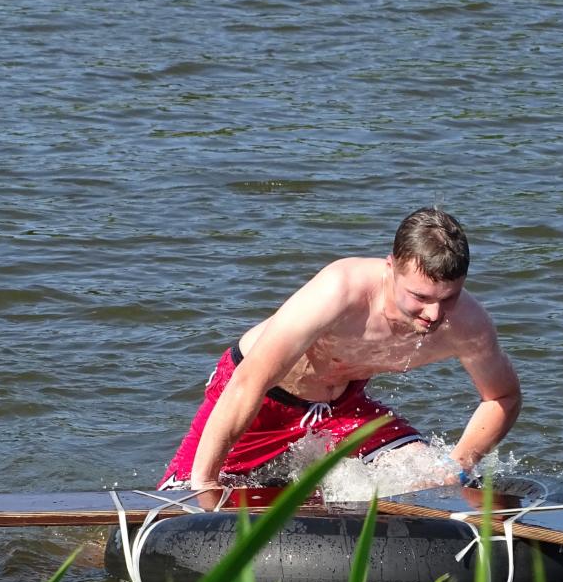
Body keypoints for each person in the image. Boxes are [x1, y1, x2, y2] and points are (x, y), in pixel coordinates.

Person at [158, 207, 521, 492]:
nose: (435, 314)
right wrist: (205, 484)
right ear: (391, 267)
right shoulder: (341, 290)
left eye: (449, 298)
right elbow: (250, 379)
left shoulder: (469, 324)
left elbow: (503, 396)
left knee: (432, 478)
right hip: (260, 405)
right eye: (420, 297)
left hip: (341, 410)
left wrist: (459, 466)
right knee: (185, 497)